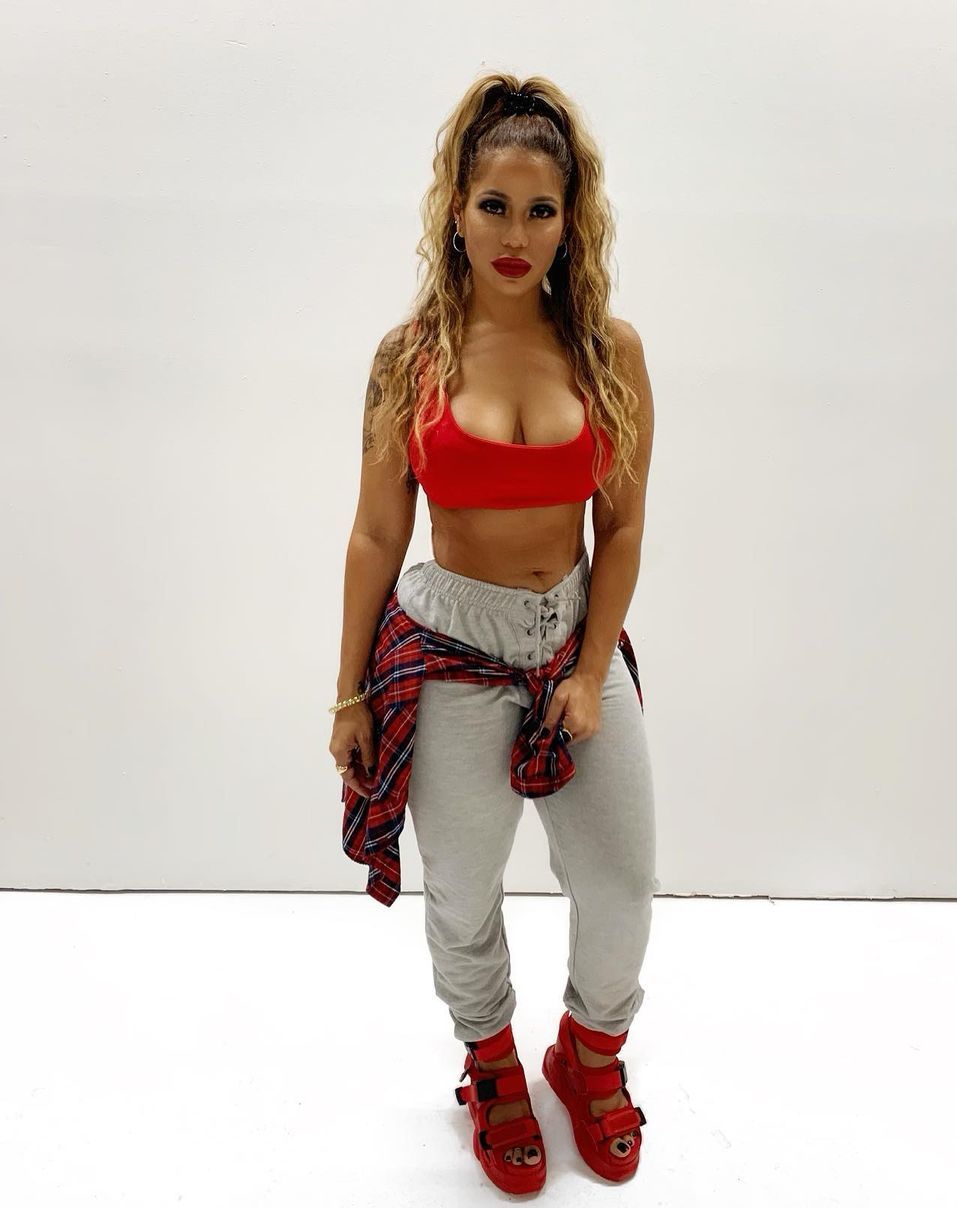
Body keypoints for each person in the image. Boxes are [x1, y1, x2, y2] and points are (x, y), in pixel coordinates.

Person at [328, 74, 656, 1193]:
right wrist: (349, 693)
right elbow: (377, 534)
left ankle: (588, 1053)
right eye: (494, 206)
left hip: (572, 637)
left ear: (572, 220)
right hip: (448, 648)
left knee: (621, 880)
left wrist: (591, 673)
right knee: (463, 888)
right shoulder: (408, 358)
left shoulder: (610, 351)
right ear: (455, 210)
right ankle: (493, 1062)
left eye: (541, 210)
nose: (516, 235)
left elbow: (621, 529)